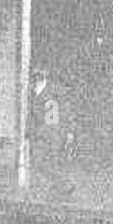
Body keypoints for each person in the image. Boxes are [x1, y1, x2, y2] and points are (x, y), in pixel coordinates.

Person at [29, 67, 75, 195]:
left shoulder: (54, 93)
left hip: (52, 133)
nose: (37, 78)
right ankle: (62, 184)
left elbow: (66, 112)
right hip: (42, 133)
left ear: (45, 77)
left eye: (40, 76)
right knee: (40, 161)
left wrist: (69, 132)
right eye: (35, 76)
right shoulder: (33, 91)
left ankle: (64, 184)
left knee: (47, 161)